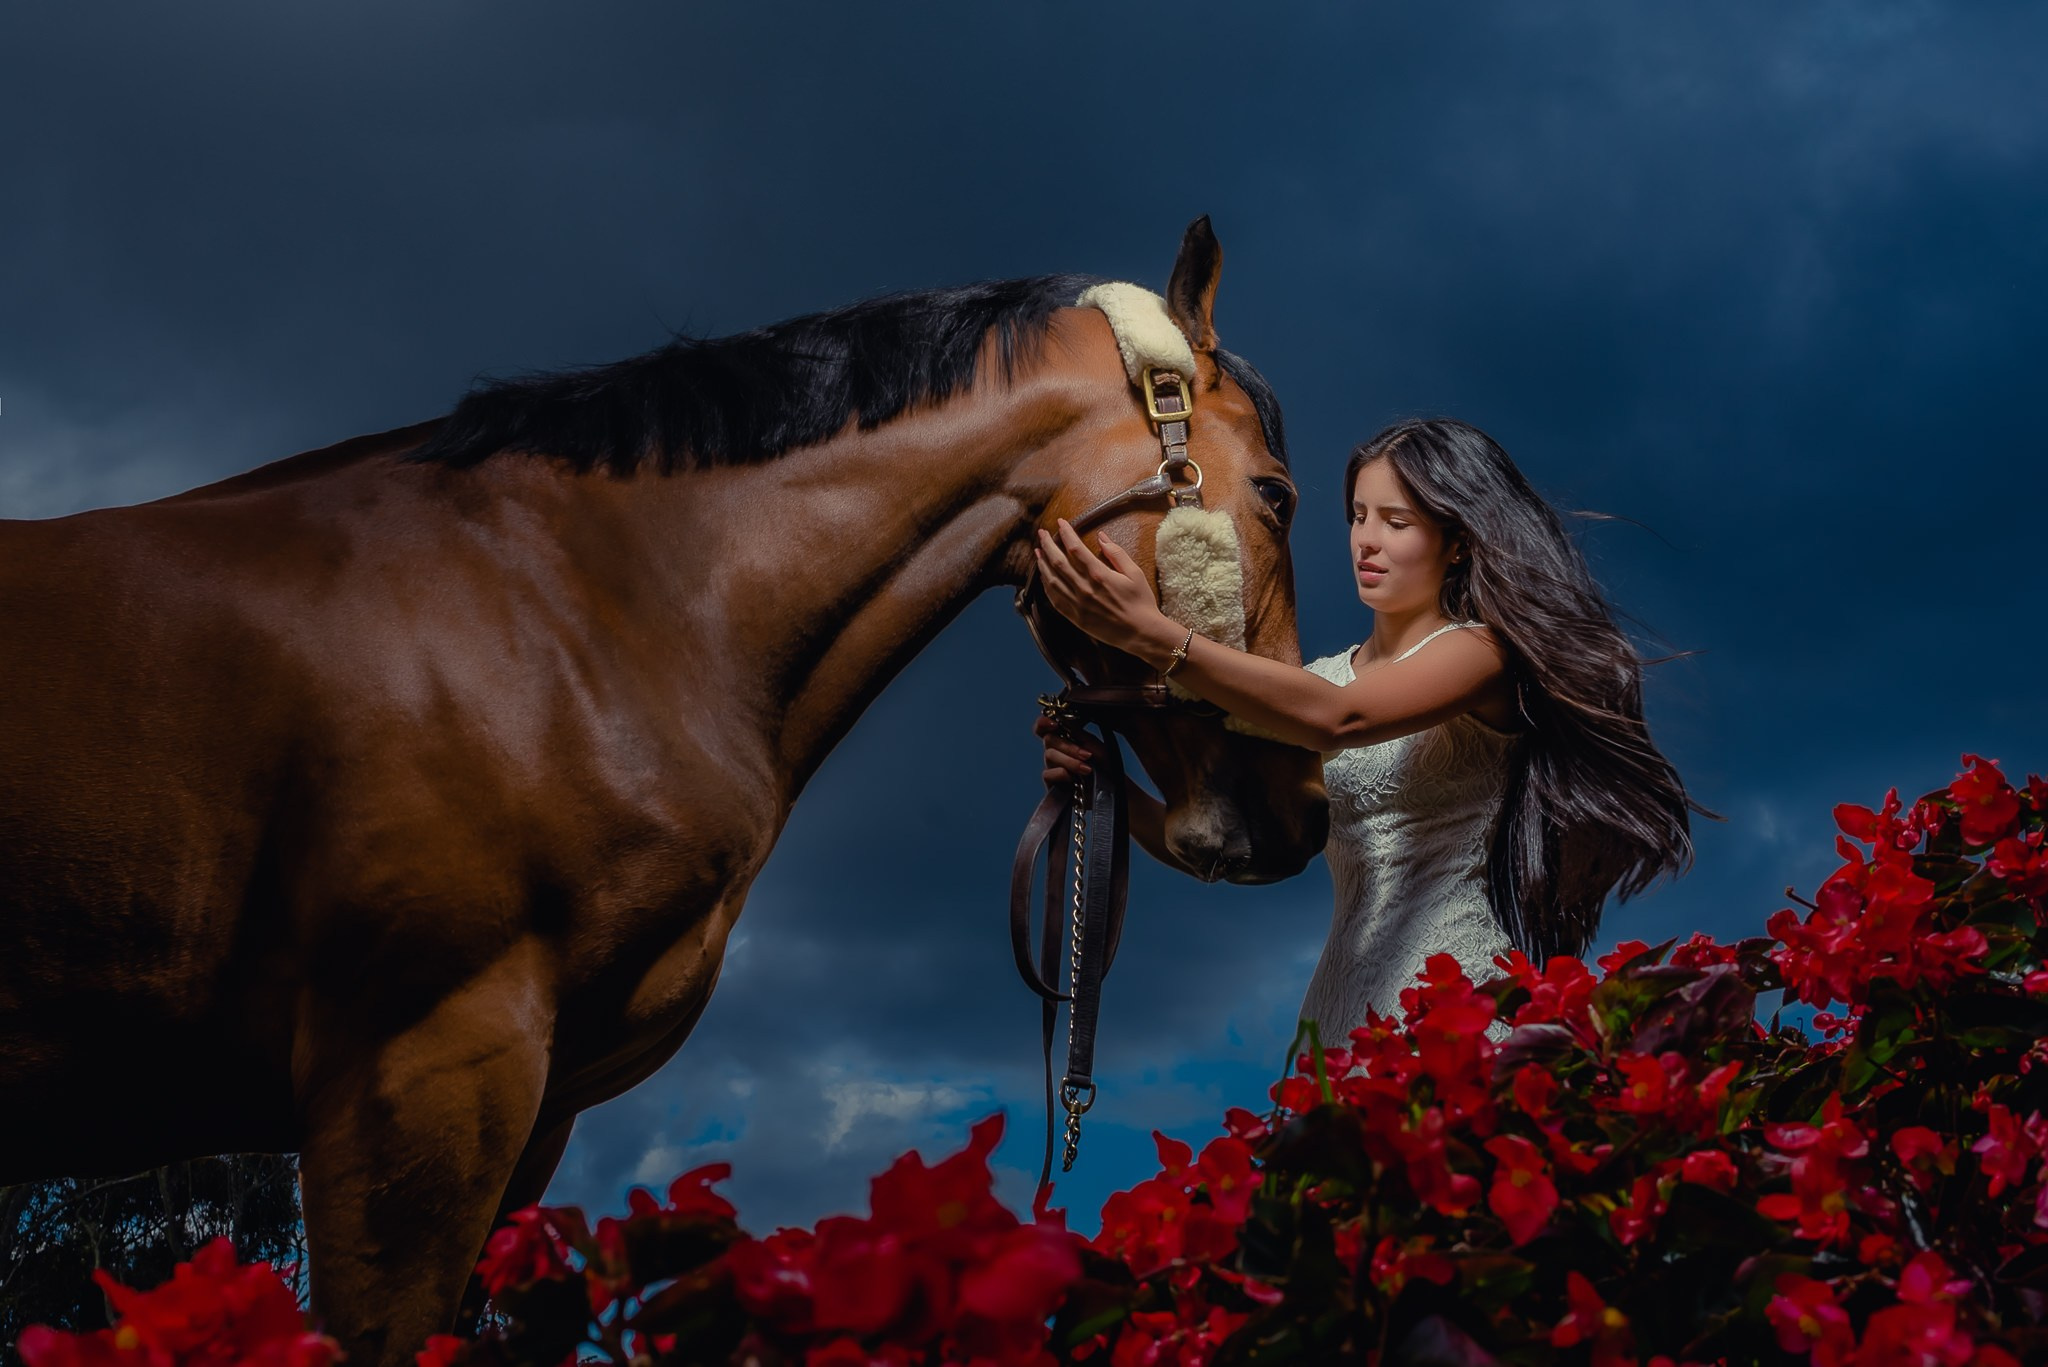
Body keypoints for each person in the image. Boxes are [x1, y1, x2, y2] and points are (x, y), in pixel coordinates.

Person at [1033, 417, 1705, 1038]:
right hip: (1340, 1013)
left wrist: (1152, 633)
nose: (1367, 540)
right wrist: (1110, 790)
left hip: (1460, 1006)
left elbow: (1341, 718)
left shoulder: (1482, 652)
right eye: (1357, 516)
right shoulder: (1314, 680)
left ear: (1458, 543)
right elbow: (1228, 845)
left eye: (1397, 521)